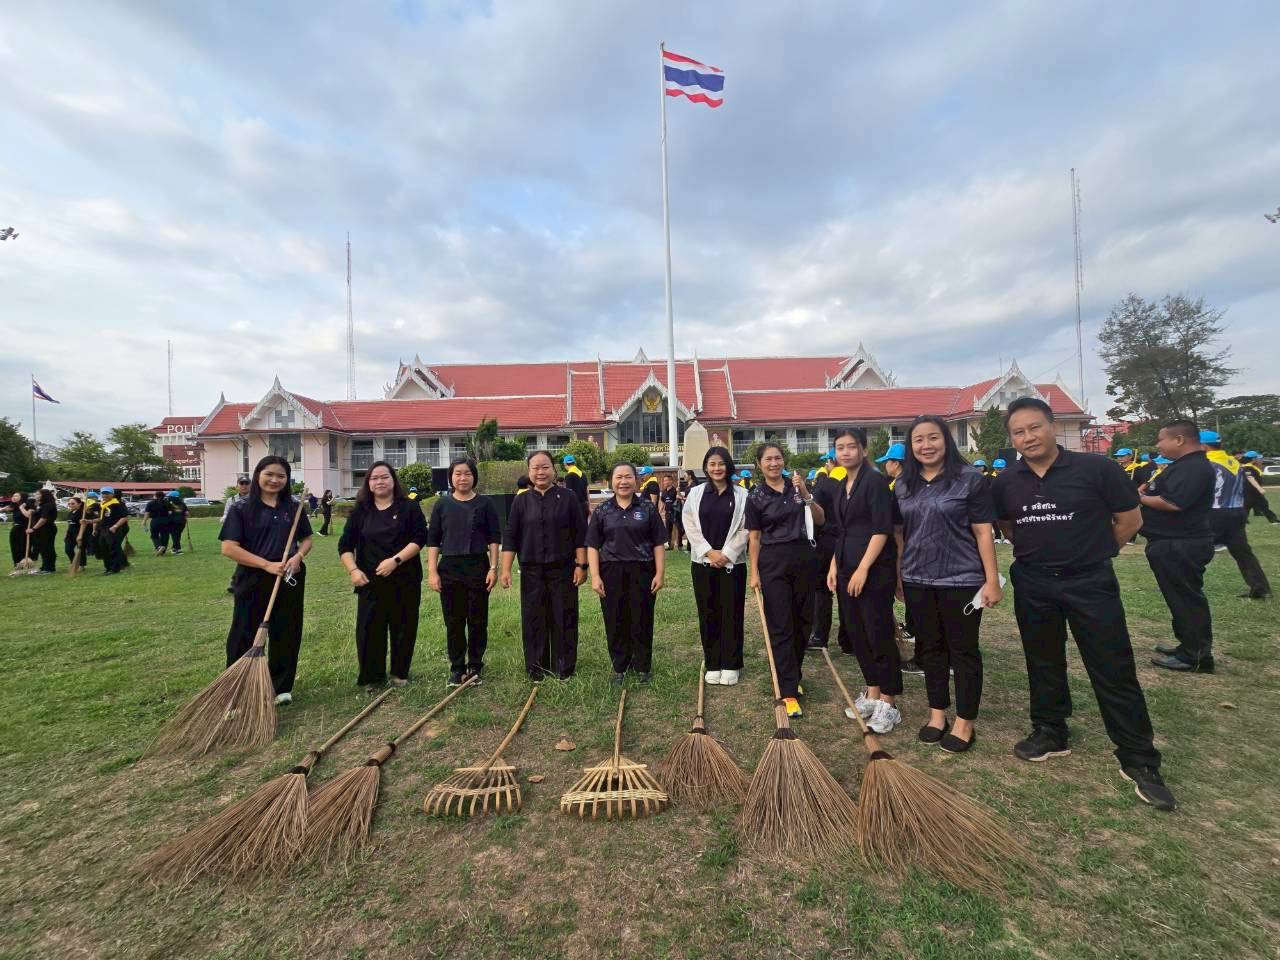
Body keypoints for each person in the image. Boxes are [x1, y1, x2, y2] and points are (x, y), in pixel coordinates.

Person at [994, 397, 1174, 810]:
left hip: (1090, 582)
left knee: (1112, 665)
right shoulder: (1006, 481)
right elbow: (1008, 525)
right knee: (1042, 660)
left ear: (1052, 426)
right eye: (1018, 432)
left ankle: (1139, 757)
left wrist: (1091, 554)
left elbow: (1130, 521)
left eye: (1034, 428)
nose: (1027, 437)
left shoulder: (1097, 470)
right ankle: (1050, 730)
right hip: (1035, 583)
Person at [895, 416, 1001, 753]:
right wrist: (898, 573)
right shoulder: (903, 484)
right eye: (919, 440)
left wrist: (991, 580)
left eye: (933, 438)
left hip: (961, 579)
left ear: (947, 441)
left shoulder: (970, 479)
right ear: (911, 447)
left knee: (964, 650)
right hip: (917, 579)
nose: (926, 446)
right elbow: (900, 535)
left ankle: (964, 722)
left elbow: (985, 531)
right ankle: (937, 714)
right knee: (930, 649)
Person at [219, 456, 314, 704]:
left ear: (287, 480)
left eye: (280, 476)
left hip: (288, 578)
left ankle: (280, 686)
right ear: (258, 475)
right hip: (253, 578)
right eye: (269, 474)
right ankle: (239, 687)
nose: (274, 480)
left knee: (287, 632)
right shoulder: (241, 508)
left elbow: (306, 539)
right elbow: (229, 547)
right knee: (244, 632)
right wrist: (266, 565)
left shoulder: (293, 508)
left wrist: (298, 557)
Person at [827, 428, 902, 734]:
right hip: (846, 568)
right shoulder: (842, 484)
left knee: (878, 632)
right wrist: (834, 565)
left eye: (851, 447)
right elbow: (841, 531)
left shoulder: (875, 482)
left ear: (864, 450)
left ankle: (889, 702)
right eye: (840, 447)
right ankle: (872, 691)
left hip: (873, 572)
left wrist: (863, 568)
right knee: (856, 633)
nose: (845, 452)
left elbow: (881, 529)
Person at [746, 442, 824, 718]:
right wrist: (754, 572)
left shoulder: (796, 489)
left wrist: (805, 493)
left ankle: (793, 674)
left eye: (778, 458)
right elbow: (754, 537)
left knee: (803, 621)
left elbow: (820, 518)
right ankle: (787, 690)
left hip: (803, 556)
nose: (774, 463)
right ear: (759, 464)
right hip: (773, 561)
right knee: (781, 623)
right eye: (768, 459)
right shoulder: (755, 496)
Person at [340, 460, 430, 690]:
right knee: (370, 629)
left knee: (403, 626)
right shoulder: (361, 511)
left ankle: (400, 673)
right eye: (374, 478)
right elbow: (345, 546)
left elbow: (419, 538)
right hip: (369, 581)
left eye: (384, 477)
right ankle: (372, 676)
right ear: (368, 483)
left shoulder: (408, 507)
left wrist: (395, 560)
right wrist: (353, 570)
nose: (379, 481)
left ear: (393, 480)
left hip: (404, 579)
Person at [500, 450, 588, 680]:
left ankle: (564, 666)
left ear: (554, 469)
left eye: (545, 467)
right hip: (531, 571)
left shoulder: (568, 497)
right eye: (535, 468)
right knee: (534, 618)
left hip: (563, 569)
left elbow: (580, 534)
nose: (540, 472)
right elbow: (511, 536)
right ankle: (536, 666)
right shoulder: (520, 501)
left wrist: (582, 565)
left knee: (564, 616)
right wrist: (506, 569)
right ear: (529, 472)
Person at [1139, 421, 1216, 673]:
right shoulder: (1183, 466)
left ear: (1180, 440)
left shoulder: (1194, 467)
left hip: (1181, 544)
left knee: (1186, 599)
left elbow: (1172, 503)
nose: (1158, 445)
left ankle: (1195, 655)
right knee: (1180, 598)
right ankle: (1188, 645)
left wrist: (1138, 498)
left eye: (1161, 439)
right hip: (1170, 542)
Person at [587, 462, 667, 684]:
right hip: (611, 570)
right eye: (619, 477)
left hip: (642, 569)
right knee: (614, 618)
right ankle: (619, 666)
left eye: (628, 477)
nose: (623, 482)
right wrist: (595, 576)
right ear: (611, 482)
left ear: (636, 480)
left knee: (642, 617)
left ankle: (643, 665)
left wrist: (660, 572)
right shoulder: (603, 511)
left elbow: (658, 543)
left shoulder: (647, 509)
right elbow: (592, 545)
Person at [427, 458, 501, 687]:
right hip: (449, 568)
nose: (462, 478)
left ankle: (475, 665)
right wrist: (432, 571)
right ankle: (457, 667)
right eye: (457, 474)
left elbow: (494, 538)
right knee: (454, 621)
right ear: (451, 477)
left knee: (478, 620)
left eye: (467, 473)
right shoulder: (442, 505)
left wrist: (493, 568)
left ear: (474, 477)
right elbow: (433, 540)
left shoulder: (485, 504)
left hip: (478, 567)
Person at [683, 446, 749, 685]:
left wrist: (728, 553)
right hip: (703, 563)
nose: (717, 468)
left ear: (728, 465)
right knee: (707, 611)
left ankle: (731, 663)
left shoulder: (742, 495)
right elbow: (689, 524)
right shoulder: (697, 493)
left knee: (732, 612)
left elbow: (746, 527)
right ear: (706, 467)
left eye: (721, 463)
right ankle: (712, 662)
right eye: (712, 464)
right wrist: (709, 552)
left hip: (732, 564)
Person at [1200, 431, 1272, 600]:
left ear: (1203, 446)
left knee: (1198, 549)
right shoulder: (1233, 461)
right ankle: (1261, 587)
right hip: (1237, 511)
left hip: (1215, 512)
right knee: (1243, 552)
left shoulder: (1206, 462)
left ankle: (1180, 584)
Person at [874, 443, 921, 675]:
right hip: (917, 551)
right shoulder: (915, 482)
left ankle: (923, 658)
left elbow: (897, 529)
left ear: (897, 463)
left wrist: (899, 563)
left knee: (922, 609)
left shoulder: (902, 486)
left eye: (888, 462)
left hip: (910, 553)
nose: (886, 466)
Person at [807, 465, 841, 651]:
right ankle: (848, 640)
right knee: (847, 592)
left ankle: (820, 636)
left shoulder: (824, 485)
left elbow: (815, 517)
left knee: (822, 590)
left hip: (827, 541)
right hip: (852, 544)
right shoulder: (859, 481)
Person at [97, 487, 130, 574]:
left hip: (113, 530)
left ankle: (115, 568)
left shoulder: (117, 504)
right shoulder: (103, 504)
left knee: (114, 549)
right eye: (103, 493)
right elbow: (102, 518)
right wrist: (89, 521)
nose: (105, 495)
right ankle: (108, 568)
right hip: (103, 529)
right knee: (104, 549)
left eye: (107, 493)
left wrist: (115, 526)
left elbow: (124, 517)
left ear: (112, 494)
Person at [1240, 451, 1279, 523]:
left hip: (1250, 492)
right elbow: (1250, 478)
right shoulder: (1247, 467)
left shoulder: (1251, 467)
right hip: (1251, 492)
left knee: (1248, 507)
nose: (1259, 459)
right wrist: (1260, 489)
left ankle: (1243, 521)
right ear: (1253, 459)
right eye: (1257, 458)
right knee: (1262, 506)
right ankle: (1273, 520)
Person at [28, 489, 59, 574]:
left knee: (47, 548)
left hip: (47, 529)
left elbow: (43, 519)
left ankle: (49, 568)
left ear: (44, 495)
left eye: (38, 494)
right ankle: (45, 566)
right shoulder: (42, 505)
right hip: (41, 530)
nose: (36, 495)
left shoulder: (48, 505)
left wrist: (33, 528)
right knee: (42, 548)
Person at [5, 492, 32, 566]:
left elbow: (27, 515)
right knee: (15, 547)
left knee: (21, 547)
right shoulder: (15, 506)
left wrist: (21, 507)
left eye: (16, 496)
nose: (14, 497)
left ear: (22, 497)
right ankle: (18, 564)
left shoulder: (26, 505)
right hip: (16, 528)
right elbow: (8, 508)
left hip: (23, 529)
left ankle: (24, 563)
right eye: (13, 495)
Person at [143, 490, 171, 555]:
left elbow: (147, 513)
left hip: (155, 521)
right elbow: (170, 512)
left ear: (155, 496)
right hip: (166, 520)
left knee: (154, 535)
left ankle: (159, 546)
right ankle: (163, 551)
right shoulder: (167, 502)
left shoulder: (150, 503)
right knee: (165, 535)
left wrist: (144, 521)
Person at [659, 473, 681, 550]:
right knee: (668, 530)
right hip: (667, 513)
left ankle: (678, 545)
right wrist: (660, 511)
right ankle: (670, 545)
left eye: (666, 480)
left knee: (678, 529)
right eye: (664, 480)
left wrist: (678, 492)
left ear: (671, 481)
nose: (665, 482)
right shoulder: (664, 491)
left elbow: (679, 499)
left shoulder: (675, 490)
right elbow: (663, 502)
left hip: (675, 513)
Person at [166, 490, 189, 555]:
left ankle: (177, 549)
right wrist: (185, 517)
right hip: (182, 522)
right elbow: (187, 513)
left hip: (172, 522)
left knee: (175, 536)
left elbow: (168, 513)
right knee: (177, 535)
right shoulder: (182, 504)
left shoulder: (168, 504)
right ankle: (175, 548)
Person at [64, 497, 83, 565]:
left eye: (73, 503)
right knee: (68, 549)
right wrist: (66, 533)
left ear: (79, 504)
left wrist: (80, 535)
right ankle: (74, 563)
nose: (70, 505)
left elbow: (83, 525)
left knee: (80, 550)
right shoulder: (70, 512)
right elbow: (68, 524)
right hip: (70, 534)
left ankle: (81, 565)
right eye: (69, 503)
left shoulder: (82, 513)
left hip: (78, 533)